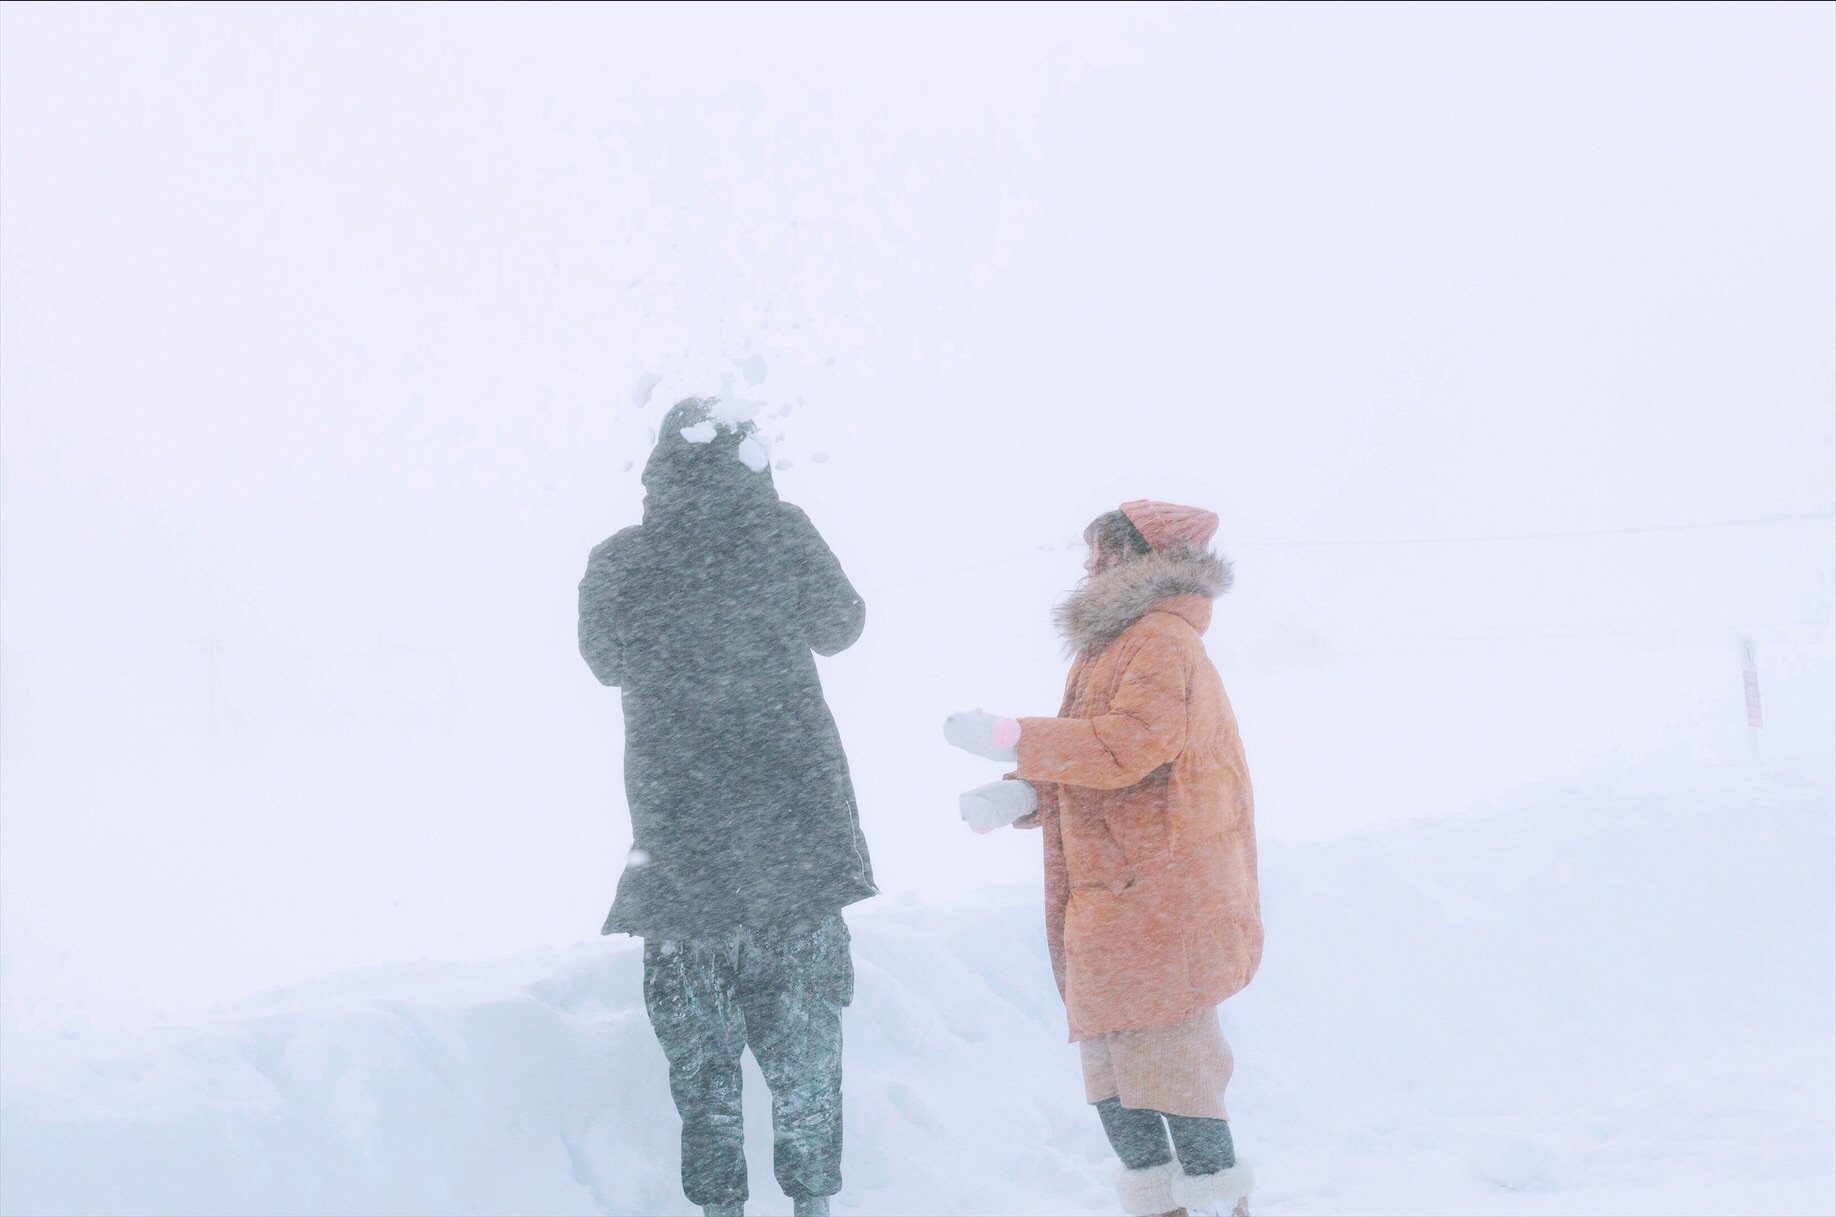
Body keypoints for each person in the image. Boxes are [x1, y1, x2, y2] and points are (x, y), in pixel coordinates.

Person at [578, 398, 876, 1217]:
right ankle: (812, 1206)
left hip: (681, 860)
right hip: (800, 853)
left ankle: (720, 1211)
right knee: (806, 1061)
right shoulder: (780, 535)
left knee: (703, 1075)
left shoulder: (622, 561)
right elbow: (843, 624)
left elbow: (604, 659)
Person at [945, 501, 1262, 1217]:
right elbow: (1097, 764)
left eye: (1100, 553)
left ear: (1138, 559)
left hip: (1158, 897)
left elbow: (1128, 746)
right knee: (1115, 1083)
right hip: (1110, 903)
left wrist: (1012, 736)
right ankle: (1163, 1207)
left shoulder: (1161, 640)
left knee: (1177, 1075)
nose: (1087, 566)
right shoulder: (1109, 646)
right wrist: (1023, 796)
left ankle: (1213, 1207)